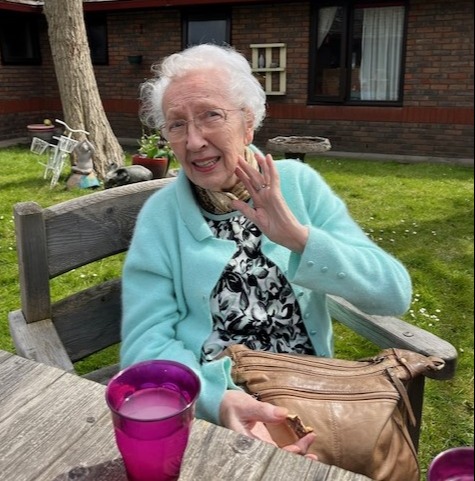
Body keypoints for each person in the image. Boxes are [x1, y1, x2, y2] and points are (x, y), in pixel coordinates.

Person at [120, 43, 412, 457]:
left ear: (249, 123)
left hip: (311, 395)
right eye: (176, 125)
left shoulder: (298, 185)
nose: (194, 140)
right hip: (220, 402)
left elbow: (393, 293)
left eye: (210, 115)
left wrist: (298, 238)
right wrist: (215, 399)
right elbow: (144, 343)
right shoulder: (161, 218)